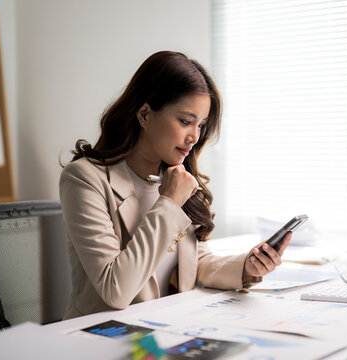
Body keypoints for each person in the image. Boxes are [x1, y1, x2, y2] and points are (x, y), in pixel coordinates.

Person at [59, 51, 292, 319]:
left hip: (166, 329)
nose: (194, 136)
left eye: (201, 125)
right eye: (185, 121)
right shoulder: (84, 179)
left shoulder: (175, 176)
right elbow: (116, 289)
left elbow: (195, 263)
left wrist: (247, 267)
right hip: (105, 335)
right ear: (145, 114)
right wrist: (168, 202)